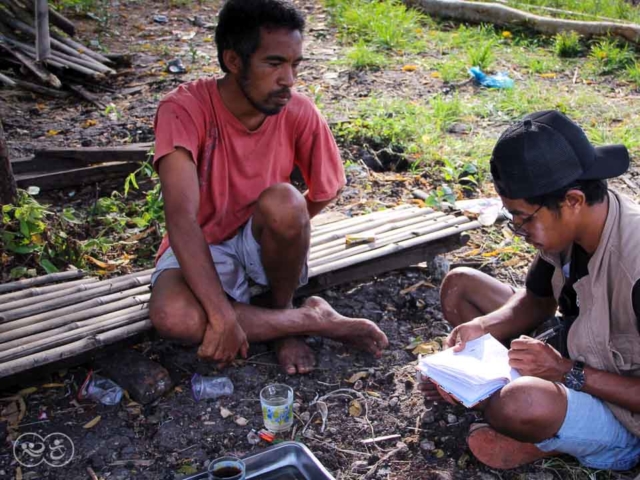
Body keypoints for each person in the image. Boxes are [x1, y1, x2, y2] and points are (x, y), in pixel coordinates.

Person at [148, 0, 388, 375]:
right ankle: (308, 320)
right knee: (173, 316)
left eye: (295, 65)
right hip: (200, 242)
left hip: (256, 236)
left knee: (285, 203)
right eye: (274, 64)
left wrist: (284, 233)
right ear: (233, 61)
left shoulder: (299, 110)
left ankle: (280, 309)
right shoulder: (183, 110)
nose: (288, 80)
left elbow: (325, 190)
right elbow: (181, 219)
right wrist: (220, 313)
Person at [420, 110, 640, 470]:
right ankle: (507, 405)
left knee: (520, 404)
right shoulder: (571, 229)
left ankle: (559, 434)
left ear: (573, 201)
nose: (520, 230)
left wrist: (567, 372)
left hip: (624, 411)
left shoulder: (635, 264)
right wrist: (483, 329)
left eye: (524, 218)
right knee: (460, 287)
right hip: (572, 347)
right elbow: (536, 300)